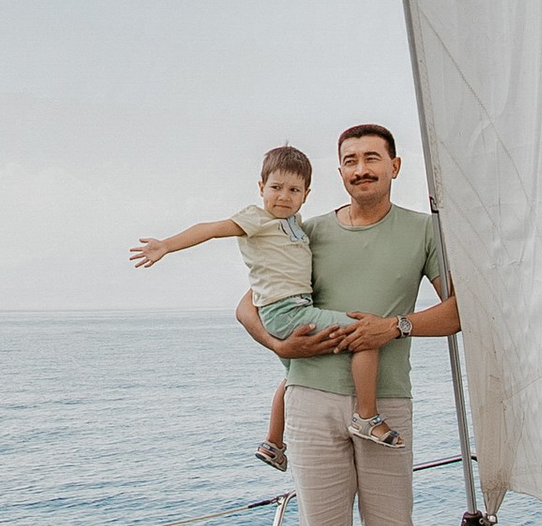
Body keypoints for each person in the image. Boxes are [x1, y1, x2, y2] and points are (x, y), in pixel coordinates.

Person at [234, 122, 457, 526]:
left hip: (385, 402)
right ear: (339, 171)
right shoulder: (305, 230)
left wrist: (397, 326)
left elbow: (460, 310)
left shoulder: (423, 230)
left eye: (372, 159)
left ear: (395, 165)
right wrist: (279, 348)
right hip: (308, 400)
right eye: (350, 160)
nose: (361, 169)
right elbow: (247, 305)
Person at [128, 149, 396, 466]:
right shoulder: (257, 219)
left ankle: (272, 443)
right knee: (365, 335)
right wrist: (166, 246)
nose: (284, 196)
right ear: (261, 187)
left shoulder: (295, 224)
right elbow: (211, 229)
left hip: (294, 306)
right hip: (285, 310)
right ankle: (367, 416)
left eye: (294, 190)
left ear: (306, 195)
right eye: (276, 188)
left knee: (294, 375)